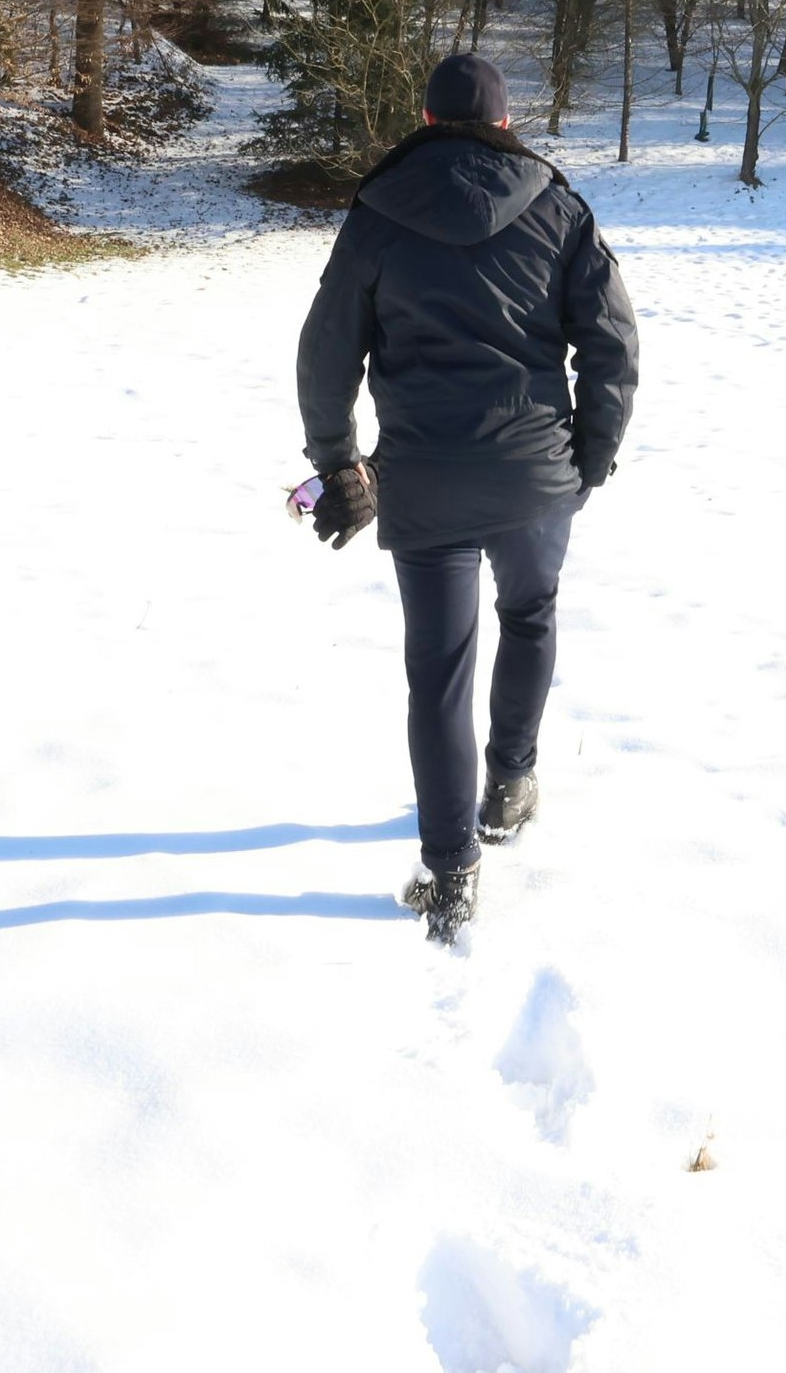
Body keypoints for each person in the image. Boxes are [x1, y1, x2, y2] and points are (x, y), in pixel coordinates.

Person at [295, 53, 638, 942]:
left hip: (426, 478)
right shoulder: (559, 208)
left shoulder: (378, 214)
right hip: (532, 477)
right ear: (505, 122)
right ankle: (512, 782)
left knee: (438, 672)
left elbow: (325, 353)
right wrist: (587, 460)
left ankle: (451, 872)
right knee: (530, 614)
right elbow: (613, 344)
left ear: (424, 115)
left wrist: (338, 465)